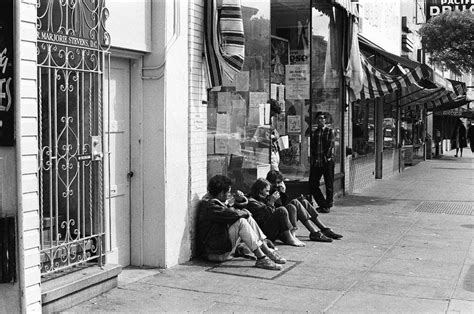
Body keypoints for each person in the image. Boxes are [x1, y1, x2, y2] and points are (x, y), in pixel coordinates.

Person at [197, 175, 286, 270]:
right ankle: (261, 258)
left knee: (247, 218)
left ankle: (267, 251)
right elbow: (232, 214)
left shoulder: (215, 200)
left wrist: (241, 200)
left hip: (220, 246)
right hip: (214, 253)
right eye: (228, 192)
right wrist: (245, 212)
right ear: (221, 193)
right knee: (241, 221)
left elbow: (231, 210)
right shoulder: (210, 206)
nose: (229, 195)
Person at [266, 170, 343, 242]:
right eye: (274, 183)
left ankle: (324, 228)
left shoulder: (277, 190)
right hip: (278, 223)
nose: (276, 185)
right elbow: (275, 210)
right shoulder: (266, 192)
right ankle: (314, 232)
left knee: (303, 201)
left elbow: (284, 204)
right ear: (269, 182)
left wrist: (283, 193)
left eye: (278, 182)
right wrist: (272, 199)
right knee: (295, 202)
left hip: (285, 216)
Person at [246, 178, 306, 247]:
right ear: (260, 190)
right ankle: (289, 238)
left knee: (290, 207)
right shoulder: (252, 201)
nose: (268, 193)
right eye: (266, 191)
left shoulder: (263, 198)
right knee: (281, 210)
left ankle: (292, 235)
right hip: (264, 233)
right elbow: (264, 217)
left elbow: (278, 206)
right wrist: (271, 202)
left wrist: (281, 194)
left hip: (272, 228)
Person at [309, 111, 335, 213]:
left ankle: (328, 204)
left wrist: (326, 157)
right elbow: (313, 147)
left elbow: (330, 145)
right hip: (317, 162)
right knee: (313, 184)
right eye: (319, 118)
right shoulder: (315, 133)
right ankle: (323, 204)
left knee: (329, 184)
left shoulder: (329, 131)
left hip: (327, 162)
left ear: (325, 120)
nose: (321, 120)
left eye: (323, 118)